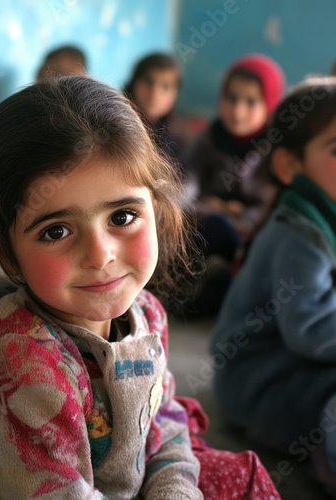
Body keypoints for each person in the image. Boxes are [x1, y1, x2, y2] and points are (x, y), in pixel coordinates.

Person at [0, 75, 280, 499]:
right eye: (56, 231)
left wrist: (175, 492)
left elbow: (163, 421)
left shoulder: (146, 313)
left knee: (244, 478)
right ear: (6, 252)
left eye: (123, 217)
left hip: (116, 481)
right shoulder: (20, 363)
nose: (100, 255)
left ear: (156, 207)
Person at [210, 76, 336, 495]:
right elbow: (312, 329)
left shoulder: (321, 218)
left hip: (292, 363)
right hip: (260, 381)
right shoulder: (299, 235)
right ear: (289, 166)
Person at [186, 53, 285, 317]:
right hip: (206, 223)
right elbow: (185, 189)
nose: (238, 110)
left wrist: (240, 215)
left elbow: (272, 204)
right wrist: (212, 208)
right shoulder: (209, 137)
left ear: (270, 104)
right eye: (231, 98)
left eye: (251, 101)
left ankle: (221, 292)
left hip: (253, 233)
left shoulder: (276, 148)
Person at [124, 52, 190, 185]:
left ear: (176, 94)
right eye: (148, 82)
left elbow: (185, 183)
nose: (154, 93)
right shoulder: (114, 121)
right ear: (134, 83)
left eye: (165, 86)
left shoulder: (179, 135)